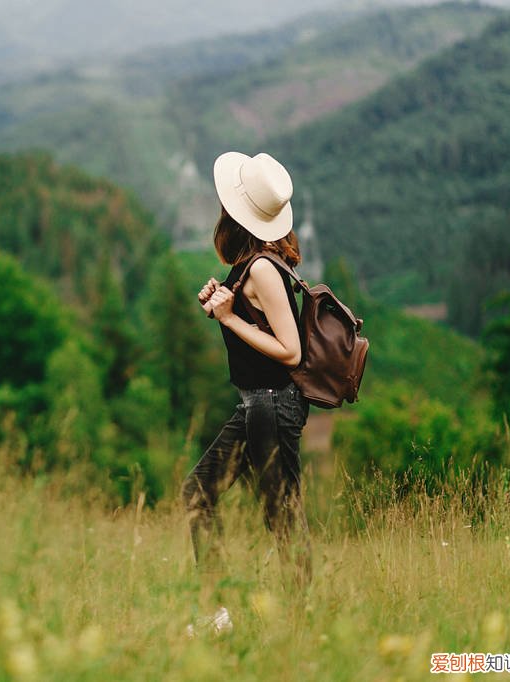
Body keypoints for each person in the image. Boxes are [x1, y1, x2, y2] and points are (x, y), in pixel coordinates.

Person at [182, 151, 312, 594]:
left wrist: (230, 319)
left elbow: (290, 351)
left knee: (284, 518)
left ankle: (297, 625)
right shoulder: (254, 262)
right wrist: (223, 302)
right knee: (201, 492)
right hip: (259, 406)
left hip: (273, 406)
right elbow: (256, 320)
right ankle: (218, 611)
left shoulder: (261, 267)